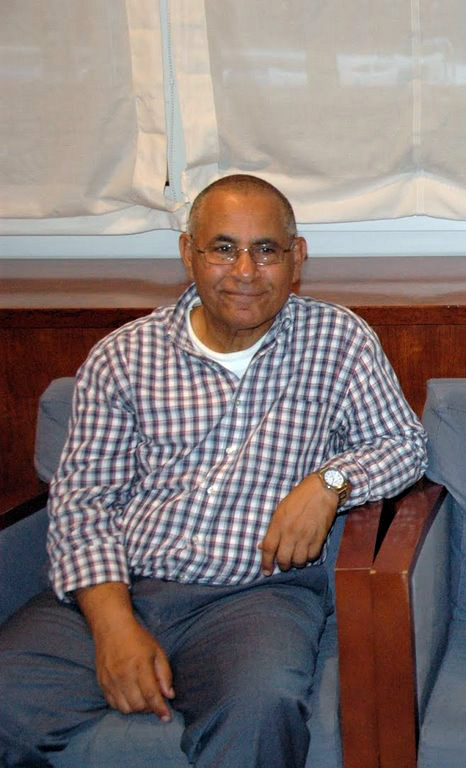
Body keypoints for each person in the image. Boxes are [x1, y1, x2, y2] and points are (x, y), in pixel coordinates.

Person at [0, 174, 428, 766]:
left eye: (266, 250)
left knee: (261, 708)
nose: (245, 271)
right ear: (188, 253)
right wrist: (114, 627)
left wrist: (330, 483)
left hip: (254, 598)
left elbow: (404, 444)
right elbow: (84, 503)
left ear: (297, 258)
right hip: (124, 583)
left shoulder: (339, 341)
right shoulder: (124, 356)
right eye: (223, 248)